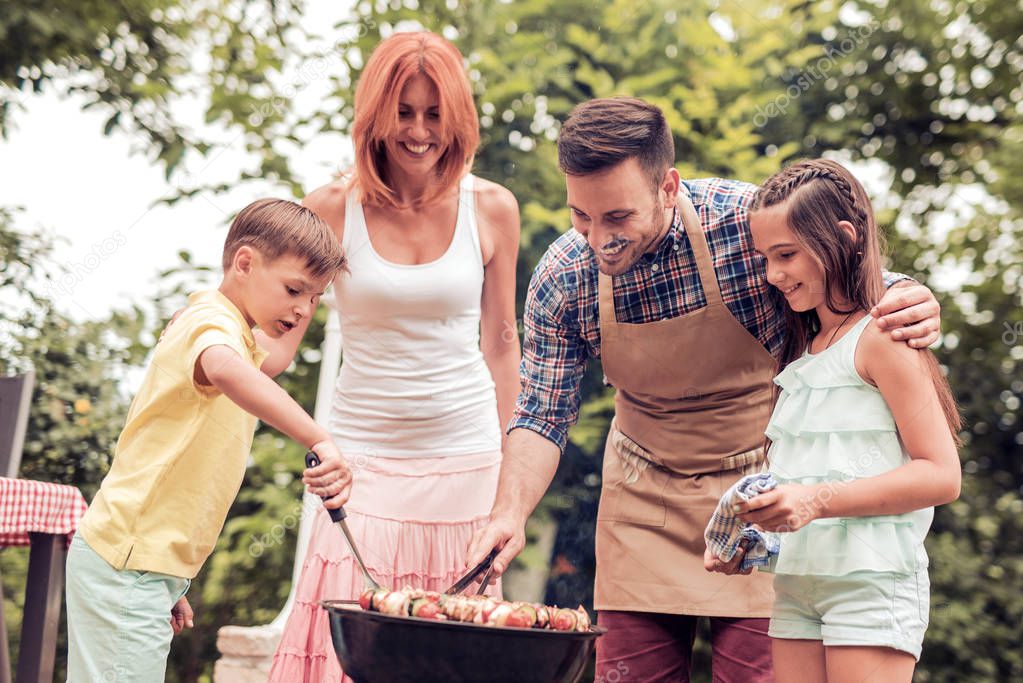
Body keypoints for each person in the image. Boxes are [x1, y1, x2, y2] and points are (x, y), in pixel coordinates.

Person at [466, 97, 943, 682]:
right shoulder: (565, 277)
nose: (599, 240)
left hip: (763, 496)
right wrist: (508, 513)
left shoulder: (745, 225)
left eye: (618, 217)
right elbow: (542, 414)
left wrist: (910, 294)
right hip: (641, 498)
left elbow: (843, 276)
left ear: (667, 187)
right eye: (581, 217)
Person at [268, 31, 521, 682]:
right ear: (376, 115)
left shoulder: (491, 208)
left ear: (457, 117)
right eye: (402, 112)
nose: (417, 131)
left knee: (453, 657)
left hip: (467, 463)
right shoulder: (329, 206)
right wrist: (208, 338)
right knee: (347, 652)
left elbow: (501, 345)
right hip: (360, 467)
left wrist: (509, 491)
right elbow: (278, 337)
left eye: (433, 113)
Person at [65, 199, 352, 682]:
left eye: (316, 299)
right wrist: (318, 436)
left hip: (139, 566)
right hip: (127, 565)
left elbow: (272, 360)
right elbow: (224, 368)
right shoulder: (209, 323)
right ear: (244, 263)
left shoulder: (237, 334)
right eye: (294, 290)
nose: (304, 308)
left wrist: (166, 581)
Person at [706, 158, 961, 683]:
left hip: (871, 584)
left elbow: (940, 474)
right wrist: (756, 530)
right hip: (799, 583)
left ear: (843, 238)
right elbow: (812, 476)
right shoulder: (803, 350)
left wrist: (812, 500)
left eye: (787, 255)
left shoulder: (883, 337)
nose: (773, 274)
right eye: (765, 258)